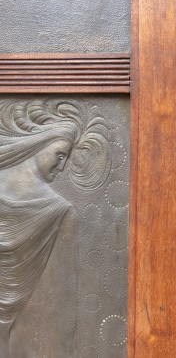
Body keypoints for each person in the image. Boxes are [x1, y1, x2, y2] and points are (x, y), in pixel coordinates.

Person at [0, 99, 110, 356]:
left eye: (66, 158)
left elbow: (62, 296)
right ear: (39, 143)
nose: (62, 167)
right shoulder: (61, 212)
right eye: (60, 155)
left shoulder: (60, 212)